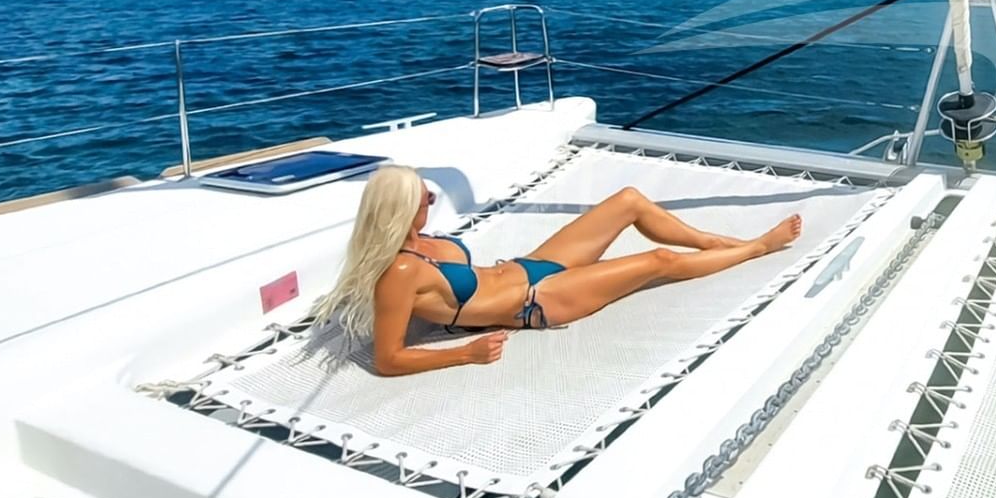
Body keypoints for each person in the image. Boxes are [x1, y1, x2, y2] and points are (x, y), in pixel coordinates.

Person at [313, 164, 802, 376]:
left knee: (628, 201)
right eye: (426, 198)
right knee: (658, 262)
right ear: (400, 209)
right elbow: (389, 358)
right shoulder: (398, 271)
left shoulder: (421, 242)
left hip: (529, 267)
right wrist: (465, 353)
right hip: (536, 301)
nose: (433, 199)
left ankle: (717, 241)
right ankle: (757, 247)